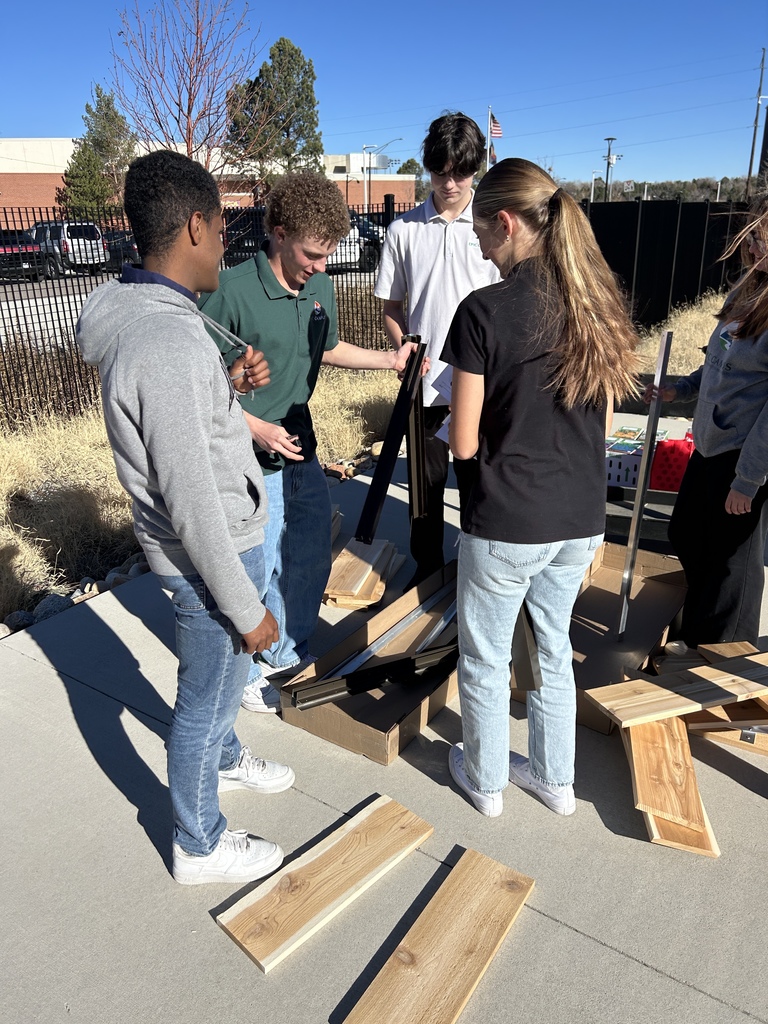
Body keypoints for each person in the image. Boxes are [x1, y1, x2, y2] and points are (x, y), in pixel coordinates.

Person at [77, 149, 295, 885]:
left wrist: (223, 386)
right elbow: (192, 494)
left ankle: (228, 761)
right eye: (225, 227)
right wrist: (249, 609)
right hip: (212, 564)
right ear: (196, 225)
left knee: (220, 687)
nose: (228, 243)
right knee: (203, 702)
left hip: (212, 552)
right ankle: (199, 843)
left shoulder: (156, 324)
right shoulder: (167, 339)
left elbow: (181, 430)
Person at [442, 158, 639, 817]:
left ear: (506, 223)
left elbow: (463, 441)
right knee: (554, 651)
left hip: (507, 518)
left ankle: (487, 782)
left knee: (487, 657)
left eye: (479, 234)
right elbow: (607, 424)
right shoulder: (596, 304)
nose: (478, 247)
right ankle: (557, 783)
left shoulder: (482, 312)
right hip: (579, 516)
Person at [199, 172, 416, 714]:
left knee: (310, 548)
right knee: (263, 560)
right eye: (313, 254)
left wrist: (390, 360)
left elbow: (328, 346)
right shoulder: (231, 292)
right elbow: (199, 384)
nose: (322, 266)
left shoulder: (318, 285)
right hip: (249, 454)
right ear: (277, 231)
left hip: (301, 441)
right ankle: (252, 665)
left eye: (328, 255)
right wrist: (253, 425)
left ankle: (285, 649)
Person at [375, 112, 501, 587]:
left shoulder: (490, 228)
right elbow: (391, 307)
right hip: (422, 386)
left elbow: (504, 306)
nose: (450, 183)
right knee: (424, 494)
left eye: (461, 172)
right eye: (440, 171)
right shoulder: (404, 230)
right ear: (427, 168)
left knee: (478, 485)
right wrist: (401, 348)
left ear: (475, 170)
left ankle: (478, 573)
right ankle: (427, 573)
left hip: (480, 384)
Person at [646, 194, 768, 650]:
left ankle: (726, 656)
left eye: (762, 242)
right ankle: (697, 631)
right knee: (687, 534)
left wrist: (748, 480)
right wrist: (683, 389)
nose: (755, 251)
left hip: (743, 456)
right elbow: (719, 359)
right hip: (710, 443)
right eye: (752, 240)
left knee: (732, 564)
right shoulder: (747, 290)